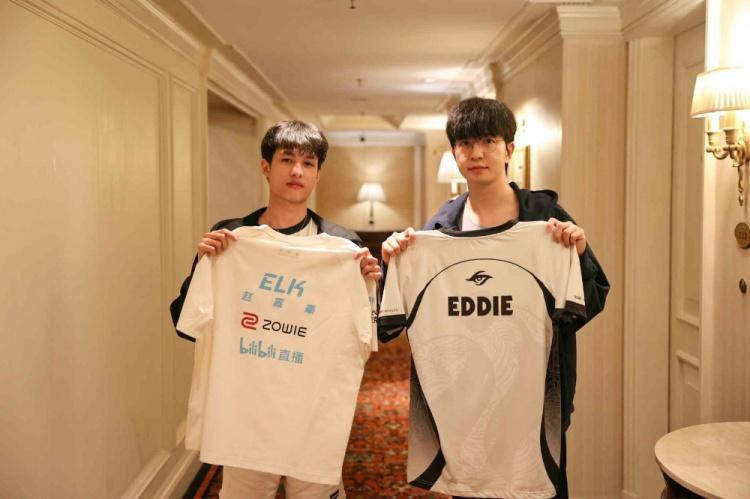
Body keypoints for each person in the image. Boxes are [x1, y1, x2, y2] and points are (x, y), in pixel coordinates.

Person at [380, 97, 609, 498]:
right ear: (454, 152)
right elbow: (394, 321)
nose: (476, 153)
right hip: (464, 403)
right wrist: (392, 263)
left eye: (488, 141)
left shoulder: (546, 220)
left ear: (509, 149)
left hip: (534, 402)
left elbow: (588, 303)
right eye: (465, 143)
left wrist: (578, 255)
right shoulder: (439, 228)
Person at [171, 120, 381, 499]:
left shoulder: (342, 246)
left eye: (308, 163)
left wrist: (369, 286)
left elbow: (371, 335)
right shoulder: (231, 239)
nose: (297, 171)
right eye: (287, 160)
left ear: (318, 173)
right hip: (246, 416)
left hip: (313, 414)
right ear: (266, 167)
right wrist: (204, 265)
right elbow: (185, 321)